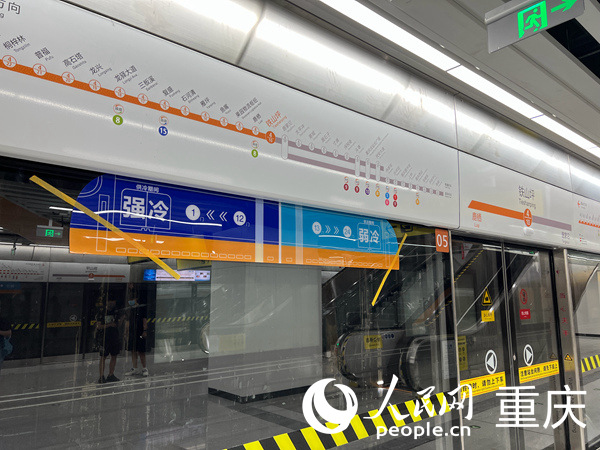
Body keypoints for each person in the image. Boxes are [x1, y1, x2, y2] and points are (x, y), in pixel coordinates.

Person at [95, 299, 121, 383]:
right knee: (103, 356)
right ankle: (101, 376)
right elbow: (99, 326)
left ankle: (111, 374)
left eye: (113, 302)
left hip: (114, 337)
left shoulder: (116, 312)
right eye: (110, 301)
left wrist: (122, 319)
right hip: (104, 337)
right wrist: (109, 325)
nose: (112, 303)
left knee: (114, 355)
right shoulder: (101, 312)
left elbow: (118, 324)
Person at [124, 297, 149, 377]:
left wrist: (145, 330)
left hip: (140, 332)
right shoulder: (130, 310)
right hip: (132, 333)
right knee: (133, 350)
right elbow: (127, 321)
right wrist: (126, 333)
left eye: (132, 300)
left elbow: (144, 320)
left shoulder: (141, 309)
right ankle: (135, 368)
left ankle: (144, 368)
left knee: (141, 351)